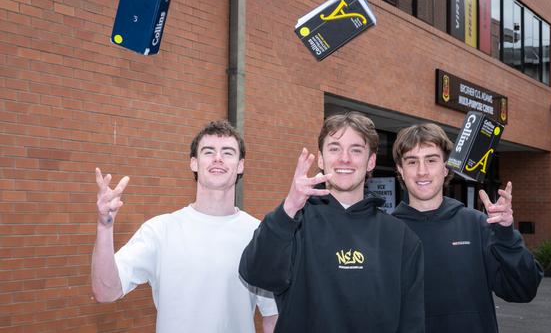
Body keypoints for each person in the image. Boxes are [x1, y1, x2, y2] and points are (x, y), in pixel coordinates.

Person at [239, 112, 425, 332]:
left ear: (371, 161)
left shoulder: (400, 237)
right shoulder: (293, 223)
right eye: (334, 148)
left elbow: (412, 324)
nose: (344, 158)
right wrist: (289, 207)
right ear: (320, 158)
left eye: (356, 150)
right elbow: (257, 274)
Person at [91, 120, 278, 333]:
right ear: (194, 163)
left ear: (241, 165)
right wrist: (104, 228)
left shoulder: (259, 235)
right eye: (208, 151)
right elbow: (105, 292)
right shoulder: (160, 231)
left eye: (227, 152)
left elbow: (273, 316)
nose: (218, 158)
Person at [391, 123, 543, 333]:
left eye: (431, 160)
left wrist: (506, 234)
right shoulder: (385, 232)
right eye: (412, 161)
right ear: (400, 169)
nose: (422, 171)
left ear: (446, 167)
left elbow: (523, 290)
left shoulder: (478, 225)